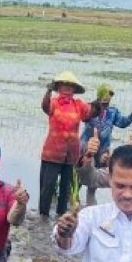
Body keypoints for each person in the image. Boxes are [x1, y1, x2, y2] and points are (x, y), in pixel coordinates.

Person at [38, 71, 94, 217]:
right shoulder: (54, 103)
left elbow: (89, 115)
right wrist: (48, 91)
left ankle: (61, 214)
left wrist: (100, 103)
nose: (68, 87)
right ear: (59, 87)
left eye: (71, 85)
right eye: (65, 84)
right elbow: (45, 107)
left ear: (74, 89)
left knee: (65, 187)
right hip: (52, 151)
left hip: (71, 153)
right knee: (47, 186)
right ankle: (43, 215)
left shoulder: (79, 105)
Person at [81, 84, 132, 203]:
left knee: (93, 182)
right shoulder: (89, 108)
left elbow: (123, 123)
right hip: (87, 148)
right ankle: (72, 203)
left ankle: (90, 207)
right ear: (99, 96)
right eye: (104, 96)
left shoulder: (112, 112)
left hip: (102, 151)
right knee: (79, 177)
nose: (106, 101)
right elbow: (82, 117)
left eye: (109, 97)